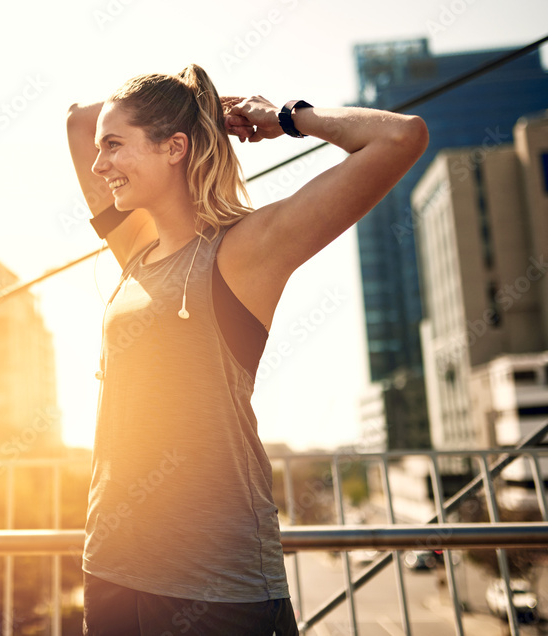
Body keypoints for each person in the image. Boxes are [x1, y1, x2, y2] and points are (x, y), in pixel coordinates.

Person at [66, 65, 427, 635]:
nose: (97, 162)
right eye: (101, 148)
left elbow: (401, 136)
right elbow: (77, 120)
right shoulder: (136, 248)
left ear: (174, 148)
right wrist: (198, 104)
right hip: (112, 567)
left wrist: (281, 119)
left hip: (214, 586)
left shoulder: (244, 253)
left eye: (114, 147)